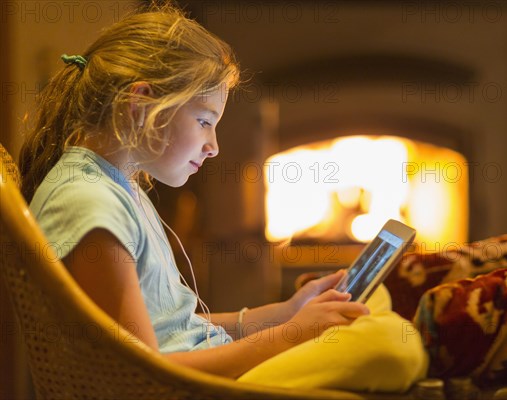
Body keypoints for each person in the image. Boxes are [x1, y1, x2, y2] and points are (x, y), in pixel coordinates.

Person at [19, 2, 427, 392]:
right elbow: (138, 374)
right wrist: (291, 336)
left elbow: (175, 329)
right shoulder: (91, 205)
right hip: (189, 389)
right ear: (140, 104)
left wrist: (286, 314)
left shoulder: (116, 186)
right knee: (389, 342)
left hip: (201, 370)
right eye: (203, 121)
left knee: (375, 308)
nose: (213, 146)